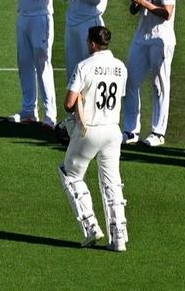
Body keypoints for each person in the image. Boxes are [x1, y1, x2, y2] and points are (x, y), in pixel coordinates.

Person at [58, 26, 128, 252]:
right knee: (112, 183)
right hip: (113, 130)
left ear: (92, 44)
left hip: (89, 130)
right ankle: (119, 238)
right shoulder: (120, 67)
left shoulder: (84, 66)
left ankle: (90, 226)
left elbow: (69, 104)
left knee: (71, 174)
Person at [121, 0, 177, 147]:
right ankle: (130, 131)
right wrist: (134, 1)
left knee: (159, 85)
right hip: (141, 38)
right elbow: (133, 11)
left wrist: (142, 1)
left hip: (161, 39)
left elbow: (166, 13)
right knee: (130, 82)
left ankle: (158, 132)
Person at [5, 0, 58, 128]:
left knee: (43, 65)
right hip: (23, 18)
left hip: (40, 19)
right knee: (25, 64)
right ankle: (29, 110)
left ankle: (50, 116)